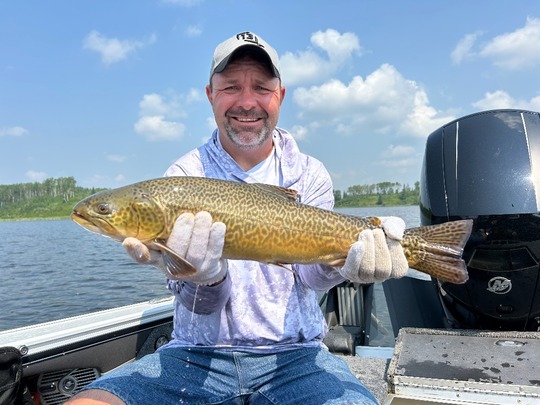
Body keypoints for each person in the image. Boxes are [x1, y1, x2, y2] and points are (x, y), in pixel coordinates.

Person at [68, 31, 409, 405]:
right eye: (231, 87)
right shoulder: (183, 174)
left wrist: (347, 264)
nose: (247, 102)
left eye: (261, 87)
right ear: (210, 95)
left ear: (280, 95)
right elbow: (200, 307)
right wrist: (206, 279)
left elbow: (310, 278)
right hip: (195, 356)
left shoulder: (310, 174)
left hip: (296, 358)